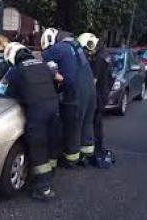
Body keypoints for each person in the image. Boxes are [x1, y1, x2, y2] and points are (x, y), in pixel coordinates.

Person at [3, 42, 63, 201]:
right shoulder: (43, 65)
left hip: (38, 112)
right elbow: (58, 80)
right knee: (51, 145)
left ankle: (43, 189)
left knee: (39, 148)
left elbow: (6, 91)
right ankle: (48, 178)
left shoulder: (16, 70)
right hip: (54, 109)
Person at [41, 28, 97, 168]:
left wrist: (54, 74)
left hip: (76, 93)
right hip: (90, 90)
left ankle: (71, 159)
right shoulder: (75, 46)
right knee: (86, 122)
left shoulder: (58, 48)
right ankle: (86, 154)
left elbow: (44, 59)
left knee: (73, 125)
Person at [78, 33, 115, 168]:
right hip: (102, 94)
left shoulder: (99, 58)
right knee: (96, 123)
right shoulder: (104, 54)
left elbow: (91, 81)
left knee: (93, 124)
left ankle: (94, 151)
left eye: (87, 49)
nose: (87, 53)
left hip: (97, 96)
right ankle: (97, 149)